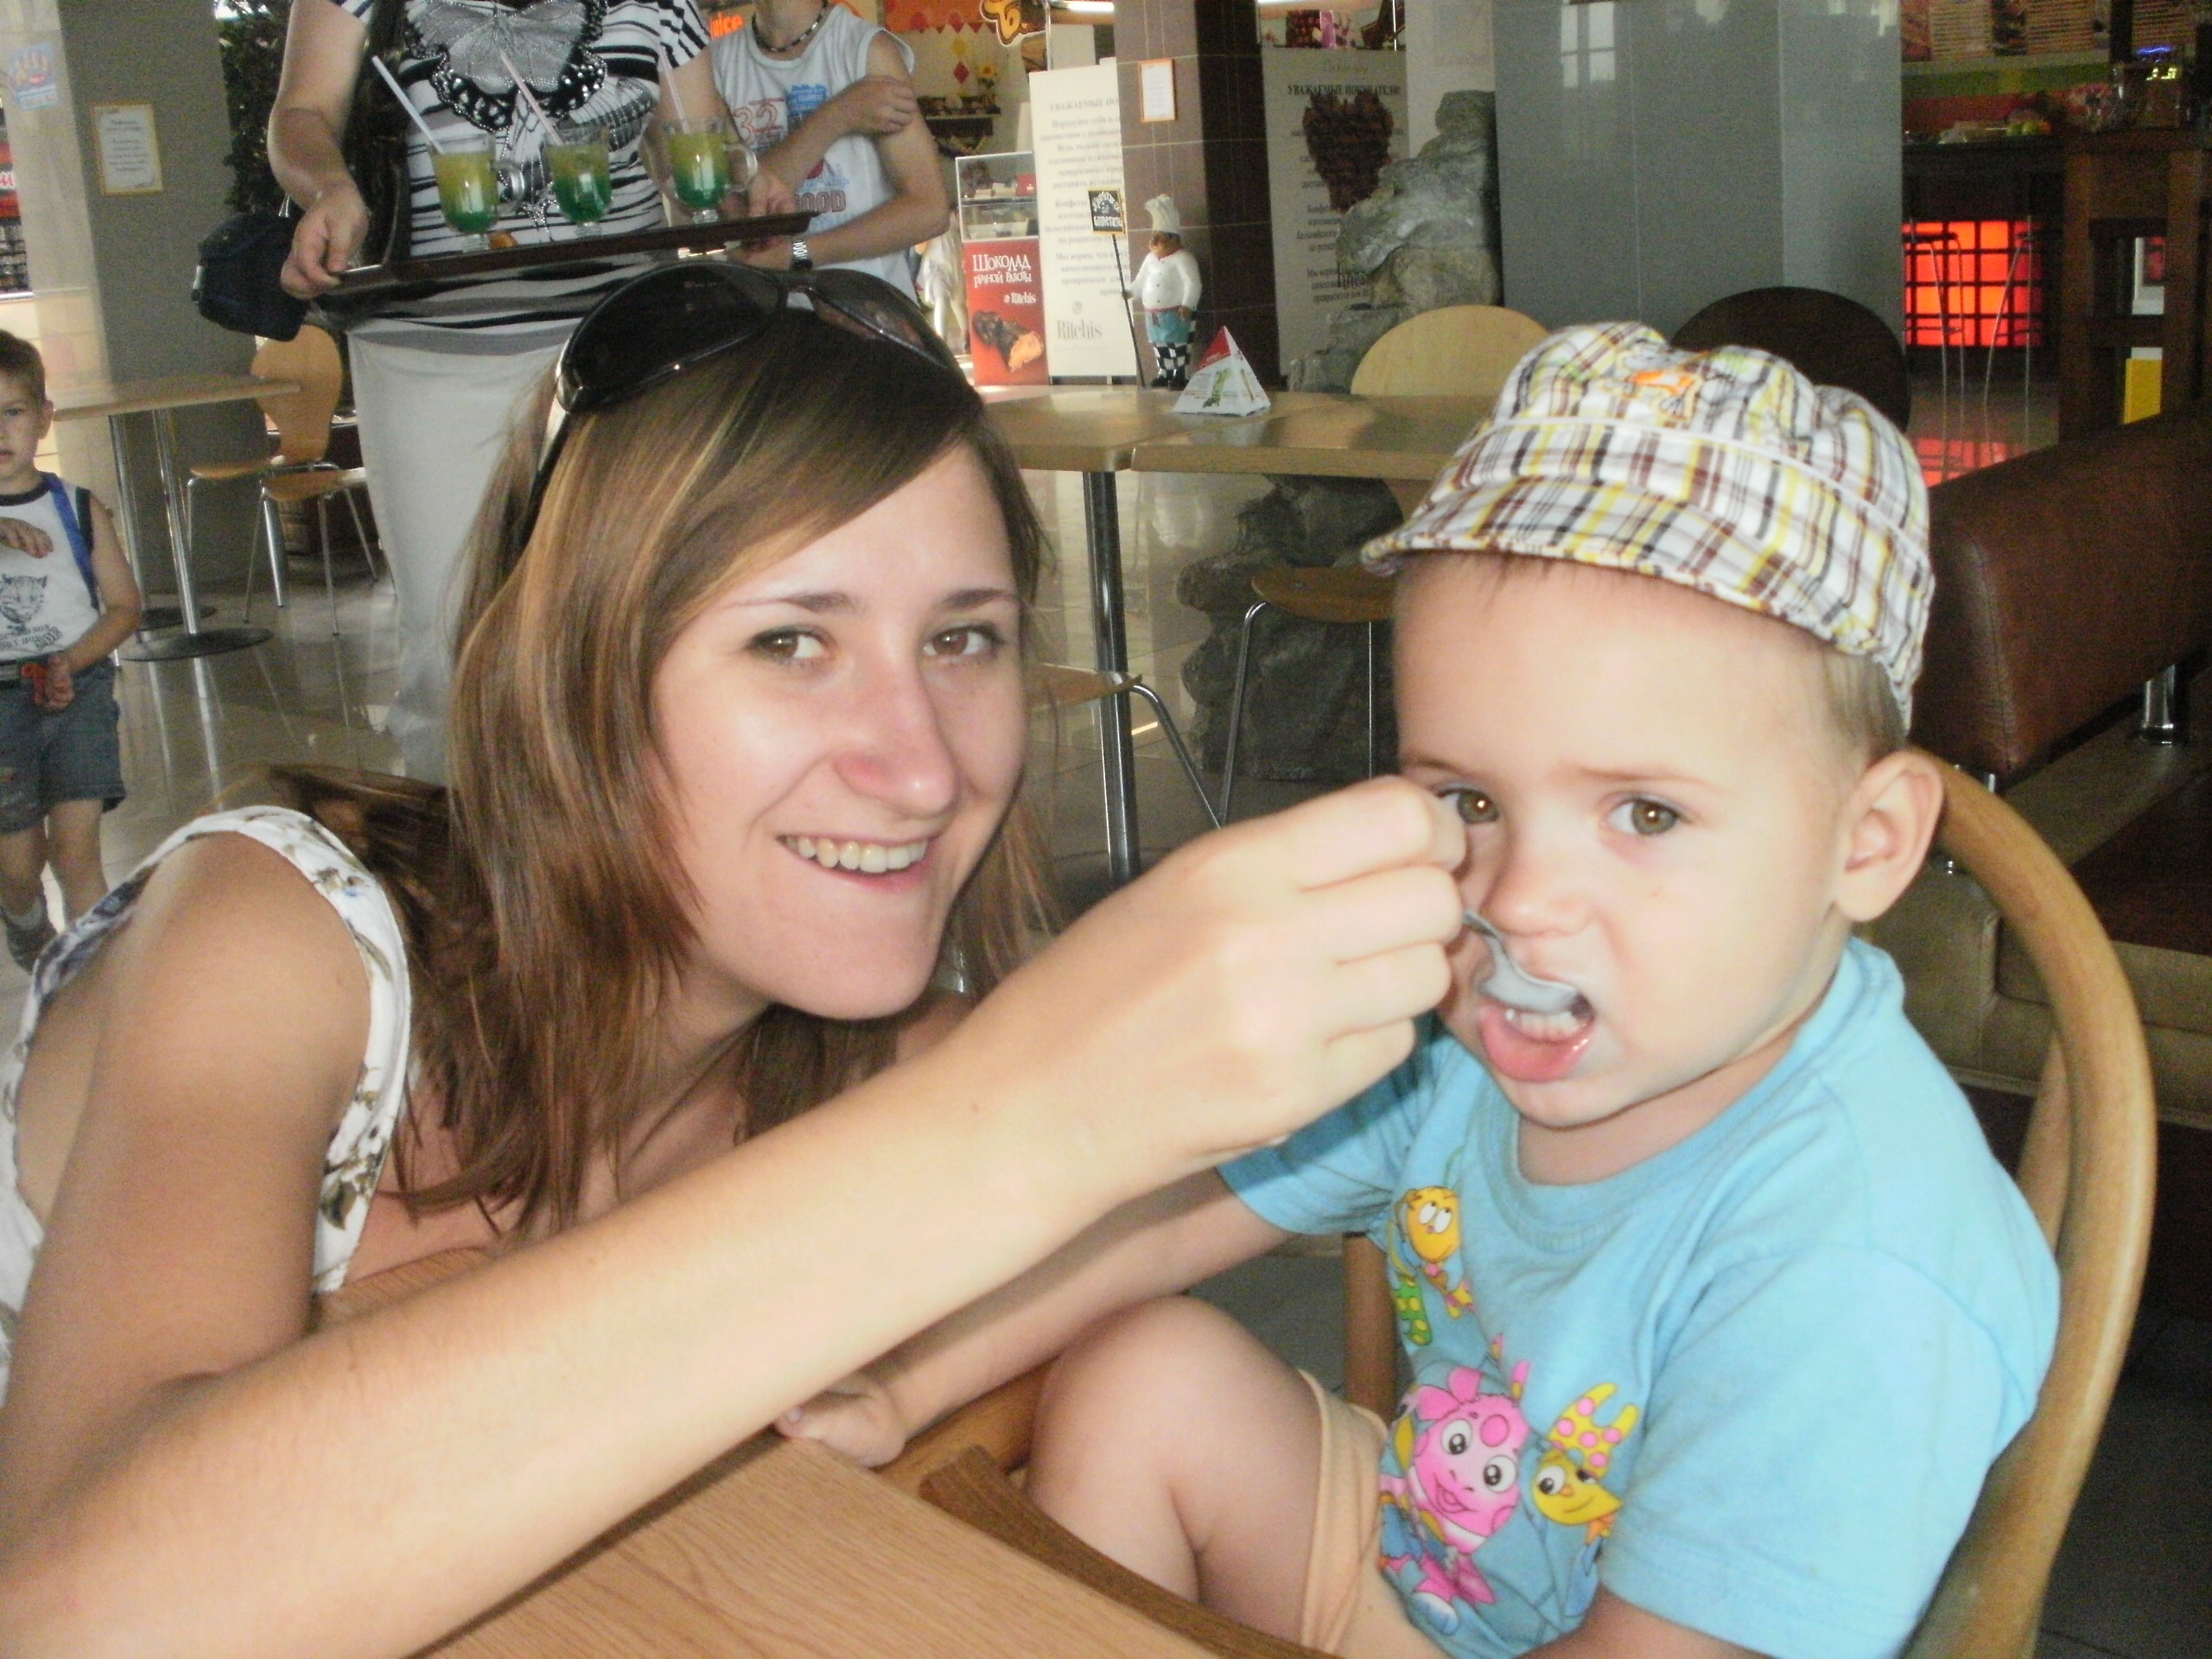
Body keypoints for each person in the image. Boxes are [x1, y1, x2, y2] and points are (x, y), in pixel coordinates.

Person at [0, 263, 1465, 1655]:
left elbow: (1243, 1184)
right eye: (789, 644)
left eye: (963, 640)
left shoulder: (879, 1066)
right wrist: (1017, 1126)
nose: (921, 771)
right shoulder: (279, 936)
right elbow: (76, 1614)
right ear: (570, 675)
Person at [776, 327, 2063, 1659]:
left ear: (1867, 844)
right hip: (1422, 1571)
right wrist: (905, 1382)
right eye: (1472, 801)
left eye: (1645, 813)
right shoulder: (1471, 1047)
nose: (1519, 900)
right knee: (1142, 1373)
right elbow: (1164, 1219)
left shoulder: (1858, 1263)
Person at [270, 0, 791, 783]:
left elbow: (697, 145)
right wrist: (329, 188)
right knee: (451, 637)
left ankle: (628, 837)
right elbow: (301, 114)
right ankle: (461, 840)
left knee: (631, 618)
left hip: (619, 348)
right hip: (432, 358)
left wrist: (745, 197)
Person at [0, 332, 141, 971]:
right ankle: (23, 917)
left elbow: (125, 607)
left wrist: (72, 662)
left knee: (77, 853)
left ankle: (100, 980)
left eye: (12, 411)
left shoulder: (80, 509)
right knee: (18, 866)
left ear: (43, 418)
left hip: (77, 690)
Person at [714, 0, 948, 297]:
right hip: (770, 311)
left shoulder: (865, 49)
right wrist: (835, 117)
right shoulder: (716, 63)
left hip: (868, 308)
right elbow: (744, 211)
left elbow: (930, 210)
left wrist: (797, 254)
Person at [1128, 194, 1201, 389]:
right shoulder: (1150, 259)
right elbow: (1141, 280)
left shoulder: (1183, 258)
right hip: (1153, 314)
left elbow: (1193, 283)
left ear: (1172, 239)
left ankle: (1180, 373)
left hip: (1176, 311)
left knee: (1177, 343)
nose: (1154, 240)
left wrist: (1188, 304)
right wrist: (1129, 292)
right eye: (1154, 235)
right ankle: (1164, 371)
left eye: (1159, 236)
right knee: (1159, 343)